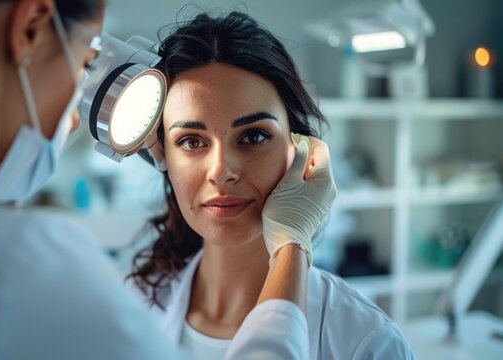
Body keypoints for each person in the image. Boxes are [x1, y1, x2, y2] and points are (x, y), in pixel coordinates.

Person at [0, 1, 330, 358]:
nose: (70, 120)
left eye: (252, 136)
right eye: (86, 63)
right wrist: (292, 247)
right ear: (30, 25)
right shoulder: (20, 266)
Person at [128, 11, 415, 360]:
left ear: (300, 153)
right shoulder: (136, 309)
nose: (221, 172)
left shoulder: (365, 341)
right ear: (162, 158)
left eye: (253, 136)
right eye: (190, 141)